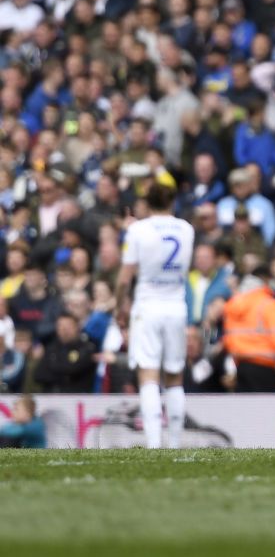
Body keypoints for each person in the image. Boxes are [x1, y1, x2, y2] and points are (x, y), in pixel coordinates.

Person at [115, 181, 196, 448]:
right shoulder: (187, 229)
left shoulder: (138, 230)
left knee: (148, 373)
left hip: (148, 306)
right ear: (173, 201)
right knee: (174, 376)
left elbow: (125, 278)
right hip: (176, 307)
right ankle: (174, 442)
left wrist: (120, 308)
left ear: (146, 203)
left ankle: (153, 443)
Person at [222, 269, 275, 392]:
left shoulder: (233, 306)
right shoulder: (270, 305)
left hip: (241, 366)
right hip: (265, 368)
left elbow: (229, 339)